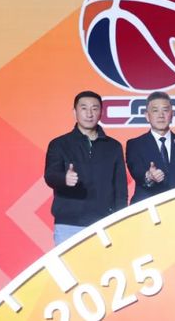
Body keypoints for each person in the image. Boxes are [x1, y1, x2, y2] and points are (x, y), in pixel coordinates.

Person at [44, 91, 127, 245]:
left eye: (94, 108)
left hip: (104, 223)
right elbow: (50, 175)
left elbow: (120, 188)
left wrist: (120, 218)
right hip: (69, 224)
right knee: (68, 262)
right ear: (74, 112)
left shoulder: (113, 146)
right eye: (84, 108)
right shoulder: (59, 144)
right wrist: (64, 178)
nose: (89, 114)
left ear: (101, 113)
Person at [126, 91, 175, 204]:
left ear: (172, 114)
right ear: (147, 116)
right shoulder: (135, 144)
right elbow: (136, 171)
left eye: (165, 110)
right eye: (155, 110)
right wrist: (149, 176)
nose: (161, 115)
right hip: (146, 207)